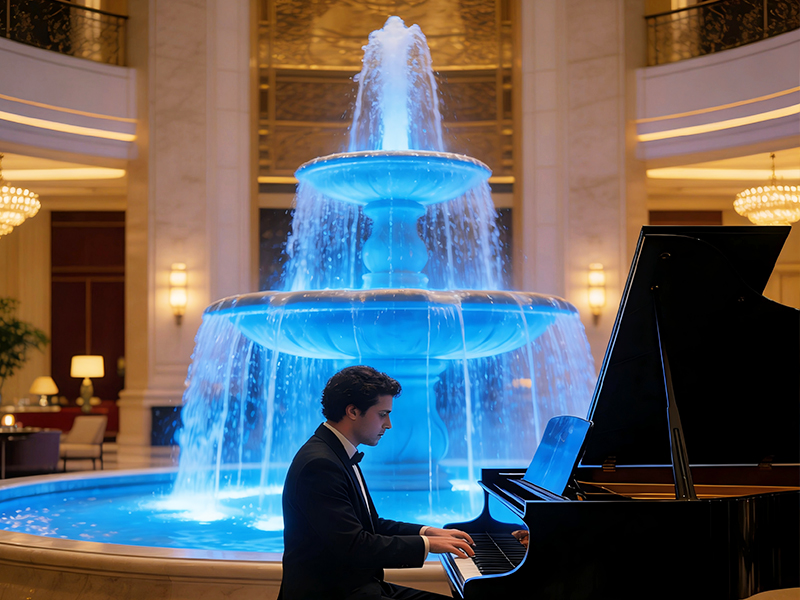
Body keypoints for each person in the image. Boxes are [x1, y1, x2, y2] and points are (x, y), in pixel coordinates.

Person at [281, 365, 475, 600]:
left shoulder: (336, 452)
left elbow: (371, 525)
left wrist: (427, 531)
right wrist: (428, 545)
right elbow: (355, 546)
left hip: (357, 588)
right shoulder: (320, 464)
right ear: (352, 411)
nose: (388, 424)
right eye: (383, 414)